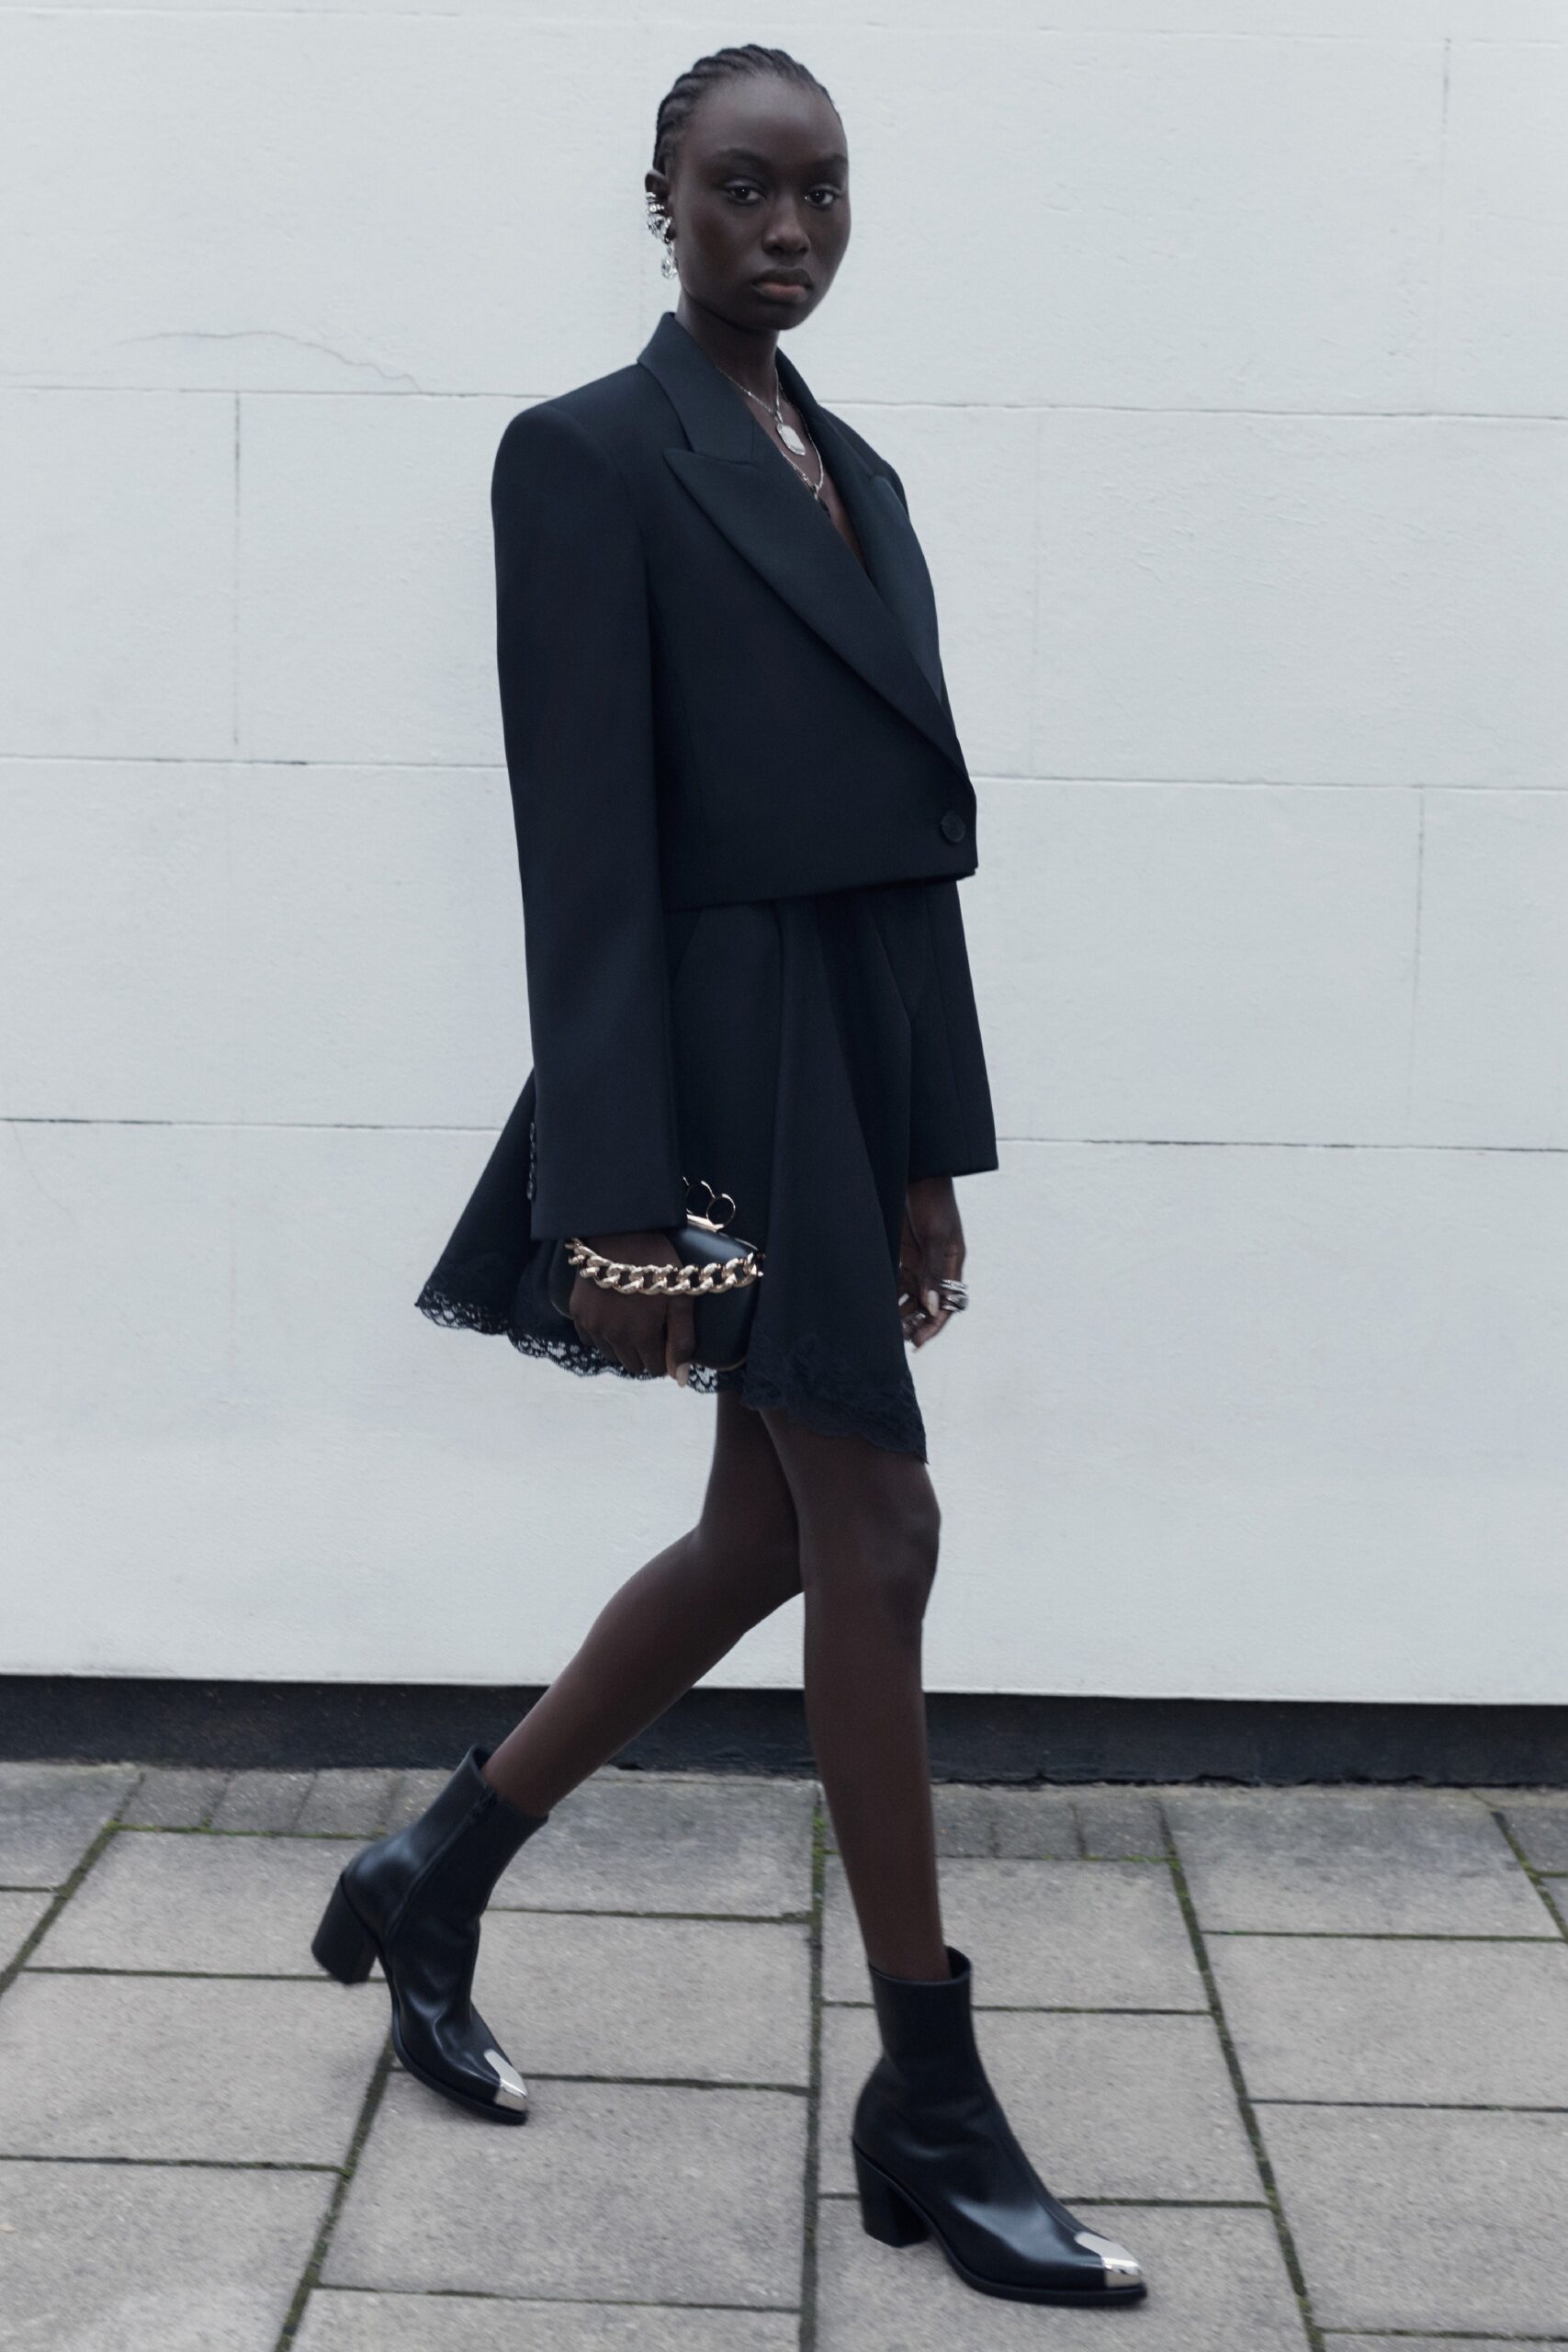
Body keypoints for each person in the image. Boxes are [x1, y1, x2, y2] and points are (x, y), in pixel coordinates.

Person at [311, 43, 1145, 2311]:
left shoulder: (859, 470)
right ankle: (928, 2098)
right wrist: (608, 1189)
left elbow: (914, 838)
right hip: (708, 1059)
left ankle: (429, 1869)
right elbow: (577, 849)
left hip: (850, 1048)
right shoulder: (586, 457)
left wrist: (929, 1152)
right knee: (878, 1529)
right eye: (742, 190)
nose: (787, 231)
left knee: (772, 1533)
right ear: (661, 200)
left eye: (821, 192)